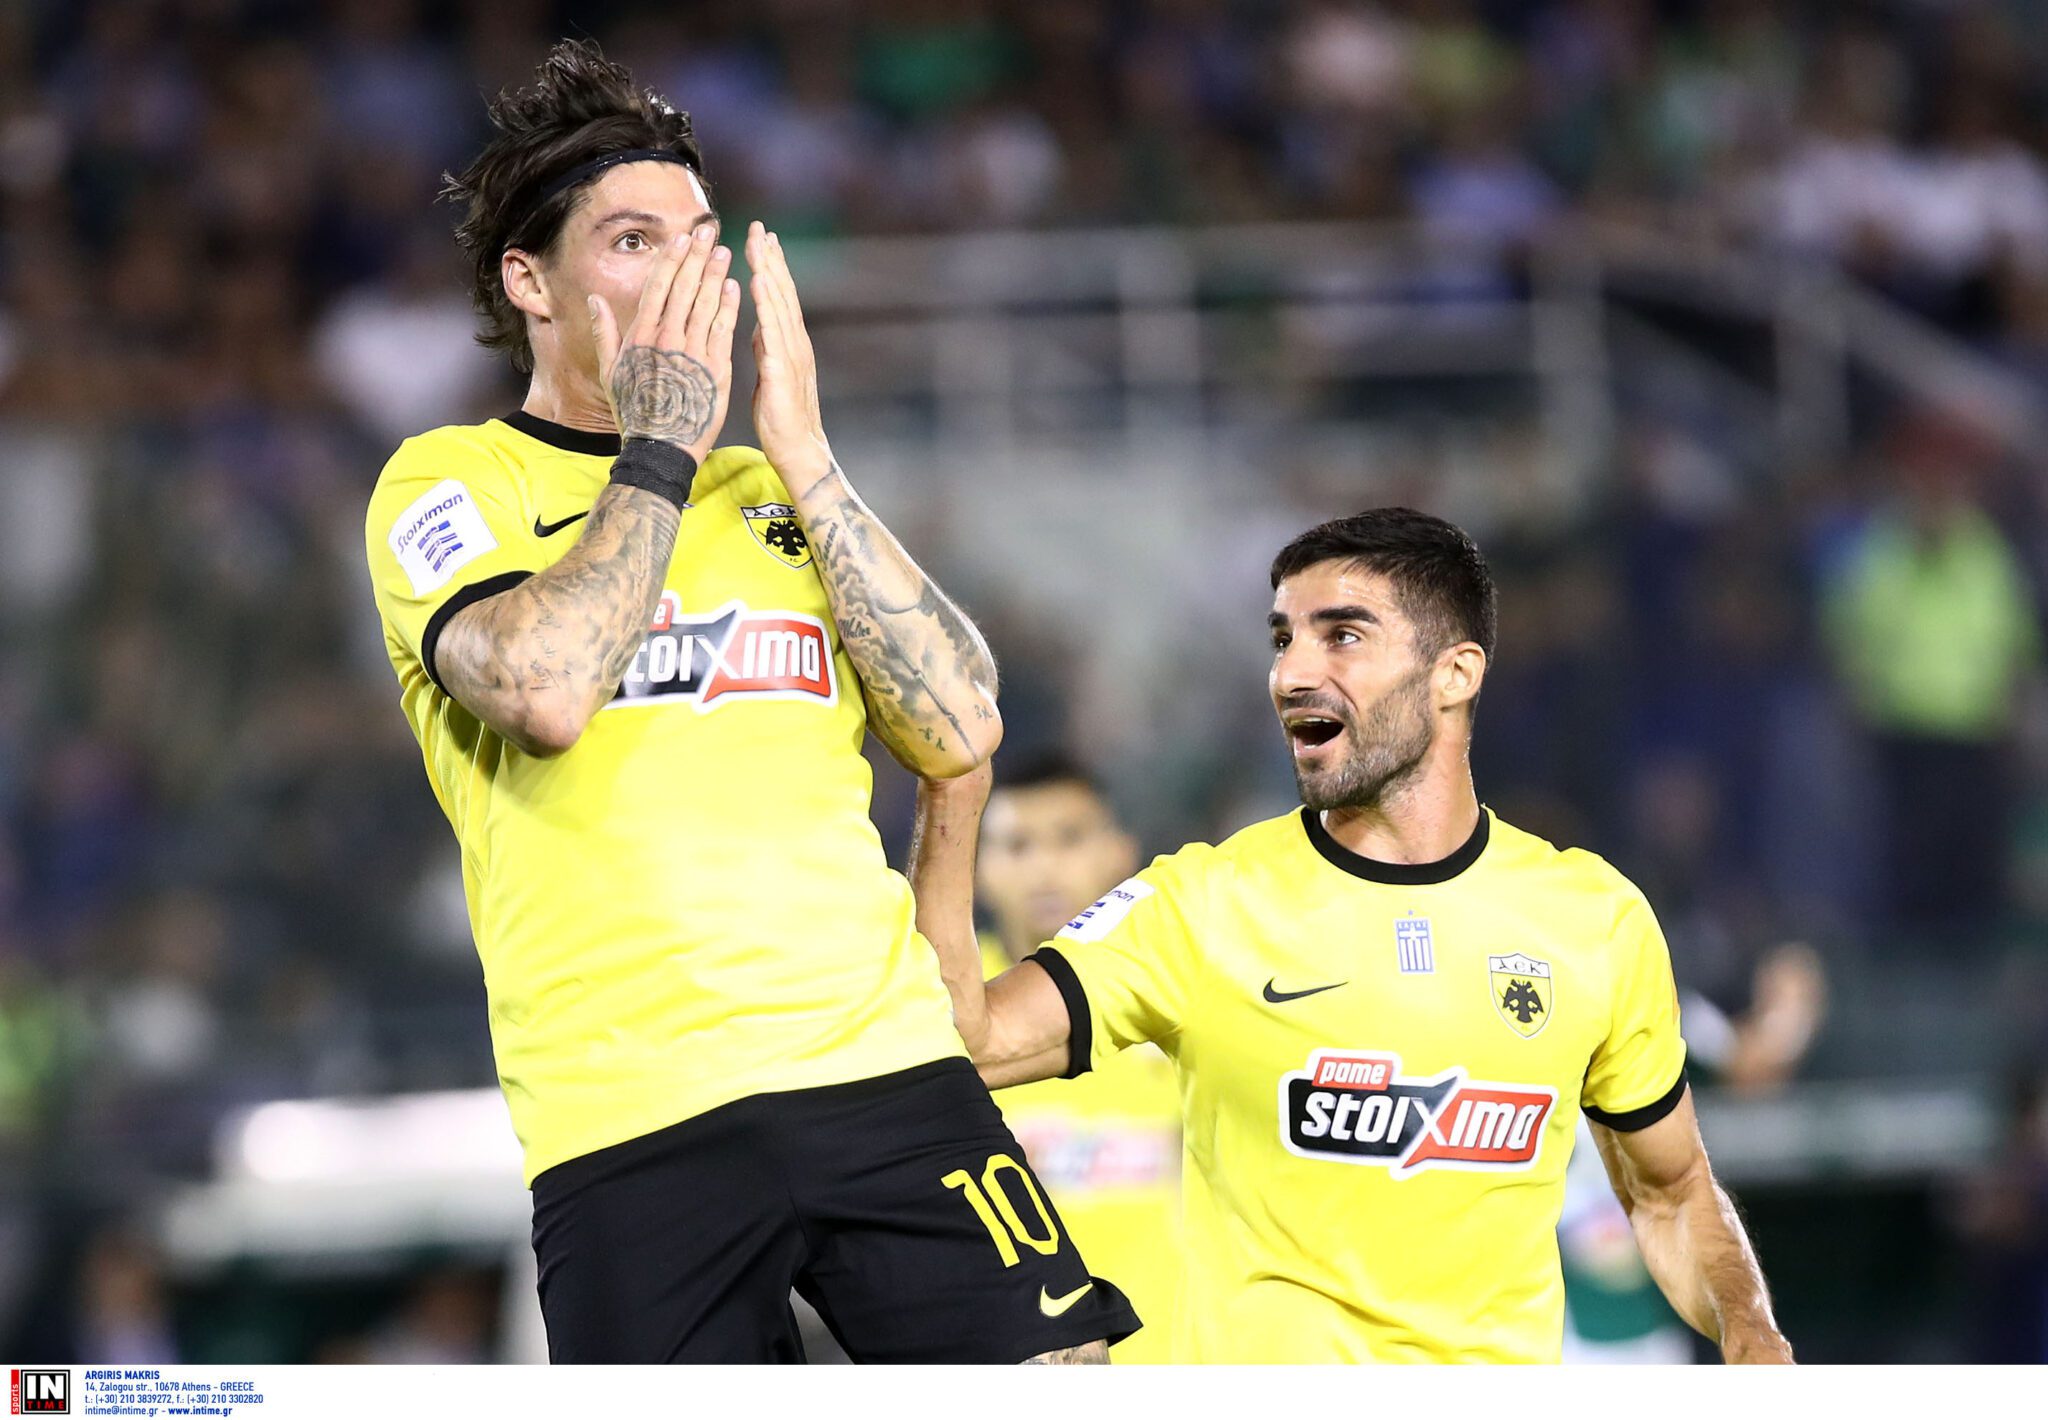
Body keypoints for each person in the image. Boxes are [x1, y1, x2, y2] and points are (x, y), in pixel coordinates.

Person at [362, 40, 1133, 1364]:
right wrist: (661, 446)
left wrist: (810, 459)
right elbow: (543, 689)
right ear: (529, 281)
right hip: (630, 1119)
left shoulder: (773, 495)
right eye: (632, 242)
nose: (683, 276)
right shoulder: (450, 484)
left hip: (882, 1073)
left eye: (698, 240)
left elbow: (962, 728)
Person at [911, 507, 1793, 1363]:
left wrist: (1752, 1335)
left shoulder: (1593, 919)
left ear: (1455, 674)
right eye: (1282, 639)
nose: (1291, 674)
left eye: (1341, 636)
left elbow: (1672, 1192)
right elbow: (964, 1041)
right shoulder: (1204, 904)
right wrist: (953, 788)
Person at [969, 754, 1182, 1364]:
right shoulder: (941, 1016)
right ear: (979, 869)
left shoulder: (1175, 1001)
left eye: (1069, 838)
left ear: (1120, 853)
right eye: (1017, 845)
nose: (1044, 867)